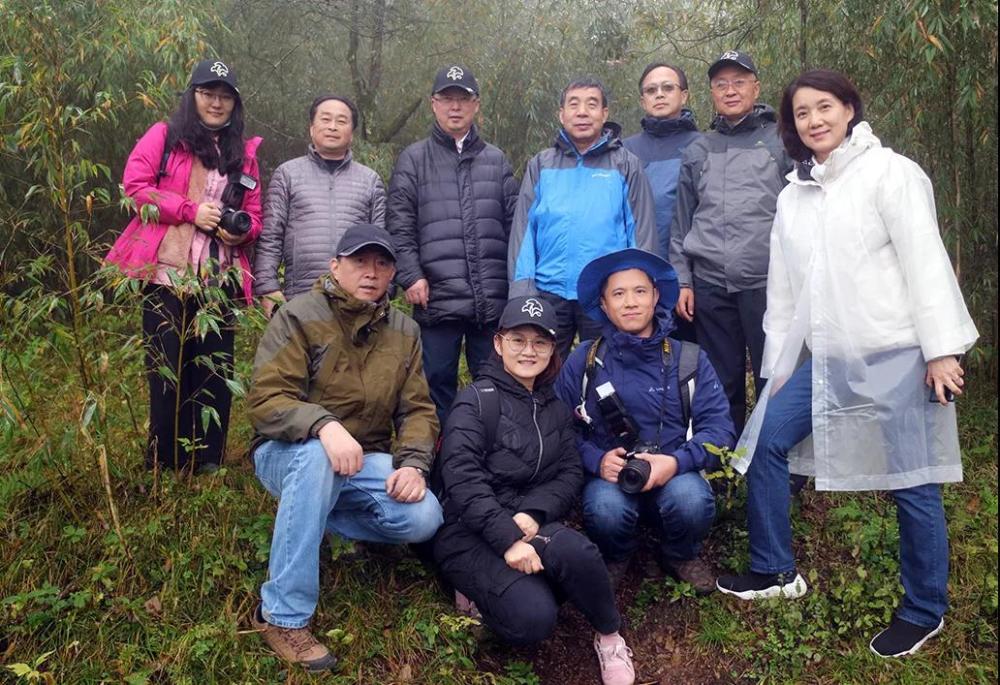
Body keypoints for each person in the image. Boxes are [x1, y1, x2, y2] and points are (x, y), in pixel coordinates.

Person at [716, 70, 979, 659]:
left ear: (849, 109)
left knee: (911, 479)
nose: (814, 120)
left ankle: (924, 609)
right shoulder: (794, 194)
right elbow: (784, 290)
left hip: (894, 352)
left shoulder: (890, 173)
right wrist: (777, 367)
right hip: (826, 358)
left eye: (824, 107)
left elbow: (925, 260)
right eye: (801, 112)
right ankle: (774, 570)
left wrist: (940, 349)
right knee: (765, 442)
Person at [247, 223, 443, 672]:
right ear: (335, 266)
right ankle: (281, 615)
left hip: (361, 461)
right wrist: (323, 425)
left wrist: (414, 465)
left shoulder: (405, 331)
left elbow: (417, 410)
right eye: (359, 261)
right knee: (318, 457)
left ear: (392, 273)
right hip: (287, 453)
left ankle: (315, 520)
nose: (371, 272)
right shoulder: (299, 315)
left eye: (382, 263)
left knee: (425, 516)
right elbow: (265, 400)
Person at [433, 295, 636, 685]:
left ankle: (610, 636)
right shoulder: (474, 402)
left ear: (552, 348)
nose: (529, 351)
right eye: (518, 340)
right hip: (468, 530)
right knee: (533, 618)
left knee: (579, 554)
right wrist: (508, 538)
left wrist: (533, 514)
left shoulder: (555, 407)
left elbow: (570, 472)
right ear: (498, 343)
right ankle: (471, 590)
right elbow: (462, 477)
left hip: (528, 520)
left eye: (540, 342)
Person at [105, 58, 262, 472]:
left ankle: (208, 459)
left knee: (214, 369)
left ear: (235, 104)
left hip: (219, 277)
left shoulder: (243, 154)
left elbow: (255, 215)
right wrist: (191, 210)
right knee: (166, 367)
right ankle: (163, 461)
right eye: (208, 93)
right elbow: (135, 189)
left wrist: (241, 233)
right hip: (167, 274)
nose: (216, 103)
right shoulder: (165, 136)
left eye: (225, 96)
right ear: (192, 96)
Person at [554, 249, 735, 594]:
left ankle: (679, 554)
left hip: (675, 474)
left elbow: (720, 430)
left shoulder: (689, 359)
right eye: (618, 294)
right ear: (604, 304)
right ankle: (617, 554)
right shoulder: (584, 360)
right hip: (610, 480)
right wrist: (596, 460)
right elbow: (558, 428)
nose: (630, 302)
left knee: (692, 501)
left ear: (656, 297)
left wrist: (676, 462)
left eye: (640, 291)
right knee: (605, 509)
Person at [669, 50, 793, 433]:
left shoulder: (782, 142)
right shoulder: (699, 149)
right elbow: (681, 222)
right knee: (721, 382)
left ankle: (773, 460)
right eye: (721, 84)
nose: (730, 90)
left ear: (756, 87)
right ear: (711, 93)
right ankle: (722, 459)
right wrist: (683, 280)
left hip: (768, 282)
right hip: (710, 286)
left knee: (776, 378)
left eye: (739, 82)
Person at [387, 64, 519, 425]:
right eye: (447, 99)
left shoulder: (496, 160)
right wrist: (410, 275)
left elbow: (515, 227)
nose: (455, 107)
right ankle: (439, 456)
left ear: (476, 105)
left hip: (490, 298)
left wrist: (517, 284)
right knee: (434, 386)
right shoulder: (414, 159)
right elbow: (399, 223)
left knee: (495, 385)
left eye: (463, 99)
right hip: (435, 297)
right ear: (434, 104)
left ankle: (491, 454)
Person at [508, 77, 656, 360]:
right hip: (548, 292)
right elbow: (523, 233)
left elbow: (642, 234)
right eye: (574, 104)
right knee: (545, 371)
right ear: (561, 114)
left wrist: (637, 294)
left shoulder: (626, 165)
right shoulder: (541, 164)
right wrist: (522, 292)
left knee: (607, 371)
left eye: (592, 104)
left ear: (605, 113)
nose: (582, 112)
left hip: (605, 293)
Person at [254, 94, 386, 318]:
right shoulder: (287, 174)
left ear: (352, 133)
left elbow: (382, 242)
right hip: (300, 298)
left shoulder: (370, 180)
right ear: (311, 128)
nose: (333, 126)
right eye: (325, 119)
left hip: (357, 301)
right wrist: (268, 288)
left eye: (341, 121)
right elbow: (270, 237)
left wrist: (383, 291)